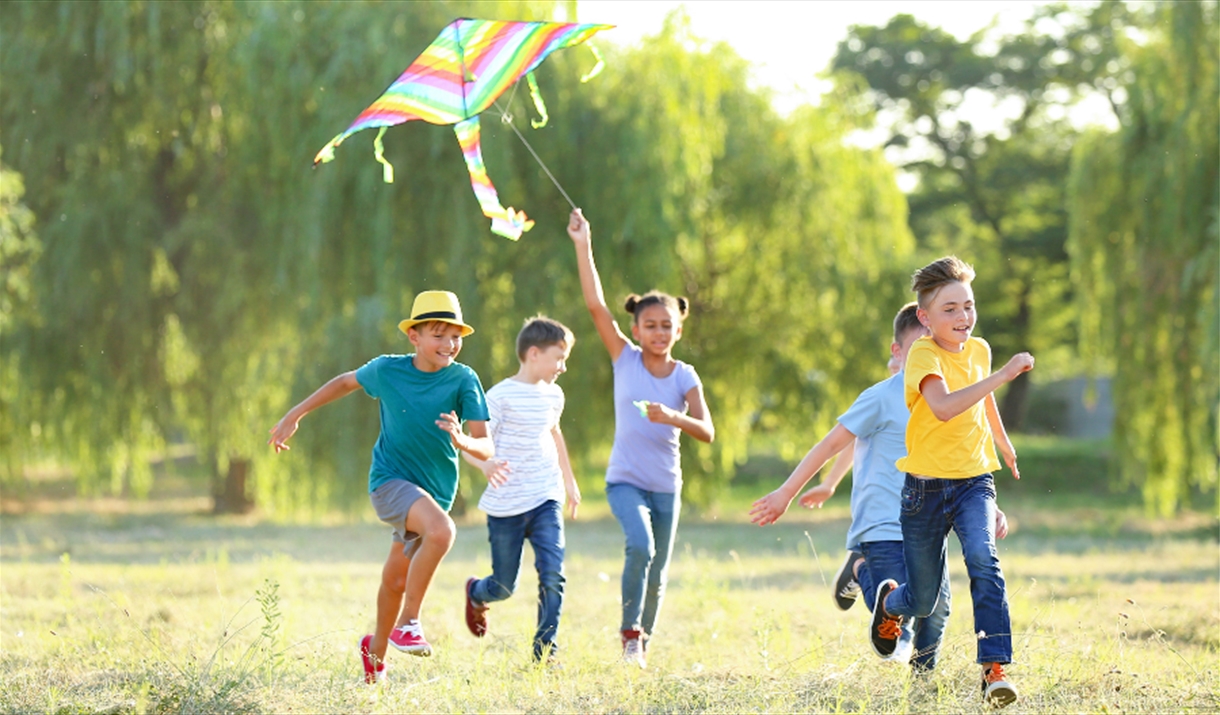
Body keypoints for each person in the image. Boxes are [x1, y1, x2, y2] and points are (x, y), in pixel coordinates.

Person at [267, 290, 493, 685]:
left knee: (395, 580)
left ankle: (375, 654)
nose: (449, 344)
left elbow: (486, 443)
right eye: (438, 334)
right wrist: (295, 413)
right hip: (390, 483)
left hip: (434, 494)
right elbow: (344, 382)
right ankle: (410, 622)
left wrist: (463, 442)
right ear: (415, 337)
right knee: (443, 532)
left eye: (455, 336)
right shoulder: (388, 370)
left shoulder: (464, 379)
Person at [868, 256, 1032, 708]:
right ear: (925, 317)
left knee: (984, 559)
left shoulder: (979, 350)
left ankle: (994, 669)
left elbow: (983, 398)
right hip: (924, 490)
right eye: (950, 309)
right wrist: (1003, 376)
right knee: (922, 600)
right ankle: (890, 606)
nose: (963, 318)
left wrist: (1001, 441)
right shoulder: (922, 354)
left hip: (974, 482)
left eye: (968, 306)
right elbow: (942, 406)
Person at [567, 208, 715, 668]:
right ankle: (629, 631)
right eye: (650, 325)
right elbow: (594, 305)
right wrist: (583, 243)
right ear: (636, 329)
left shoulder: (685, 376)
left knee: (659, 574)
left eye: (666, 325)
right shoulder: (624, 360)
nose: (658, 332)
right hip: (625, 480)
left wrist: (673, 416)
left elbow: (706, 431)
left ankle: (640, 643)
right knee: (641, 547)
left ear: (679, 329)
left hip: (667, 484)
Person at [460, 315, 582, 663]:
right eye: (559, 358)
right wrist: (485, 465)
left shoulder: (554, 395)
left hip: (546, 496)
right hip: (506, 505)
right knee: (503, 586)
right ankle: (476, 593)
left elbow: (554, 433)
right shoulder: (499, 397)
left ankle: (545, 652)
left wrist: (569, 482)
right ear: (533, 353)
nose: (563, 367)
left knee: (553, 573)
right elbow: (473, 444)